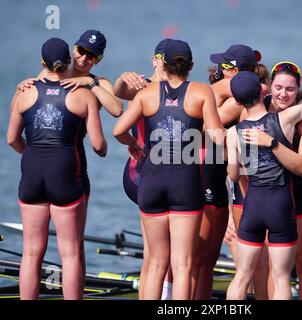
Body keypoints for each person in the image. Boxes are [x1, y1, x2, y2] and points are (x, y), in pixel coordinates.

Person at [113, 39, 224, 300]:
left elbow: (117, 131)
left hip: (150, 181)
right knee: (182, 264)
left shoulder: (146, 93)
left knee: (155, 263)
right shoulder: (201, 92)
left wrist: (134, 145)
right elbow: (216, 134)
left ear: (162, 64)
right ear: (191, 66)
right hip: (184, 182)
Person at [15, 30, 121, 286]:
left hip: (76, 163)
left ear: (99, 59)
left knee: (75, 242)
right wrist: (23, 84)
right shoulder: (50, 73)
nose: (85, 59)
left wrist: (91, 84)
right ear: (74, 50)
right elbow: (24, 101)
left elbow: (117, 109)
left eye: (92, 56)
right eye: (82, 51)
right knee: (60, 246)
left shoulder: (99, 82)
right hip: (55, 159)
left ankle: (77, 287)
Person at [226, 71, 302, 300]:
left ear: (238, 102)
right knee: (281, 277)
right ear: (264, 90)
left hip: (252, 205)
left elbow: (232, 175)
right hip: (280, 204)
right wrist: (298, 91)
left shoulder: (232, 133)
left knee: (242, 275)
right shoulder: (284, 119)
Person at [192, 44, 268, 300]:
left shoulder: (237, 98)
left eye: (224, 67)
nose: (218, 71)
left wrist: (204, 93)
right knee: (205, 259)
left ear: (234, 71)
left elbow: (200, 124)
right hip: (230, 181)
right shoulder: (250, 91)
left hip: (235, 183)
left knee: (205, 259)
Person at [113, 39, 173, 300]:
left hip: (152, 175)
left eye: (169, 60)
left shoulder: (182, 89)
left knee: (160, 251)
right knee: (160, 253)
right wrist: (122, 77)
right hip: (143, 174)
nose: (164, 63)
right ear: (154, 60)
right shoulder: (142, 86)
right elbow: (119, 91)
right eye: (160, 57)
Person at [264, 61, 302, 300]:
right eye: (278, 87)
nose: (283, 94)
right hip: (277, 191)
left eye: (290, 89)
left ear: (299, 90)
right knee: (275, 265)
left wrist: (271, 143)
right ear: (269, 86)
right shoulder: (261, 109)